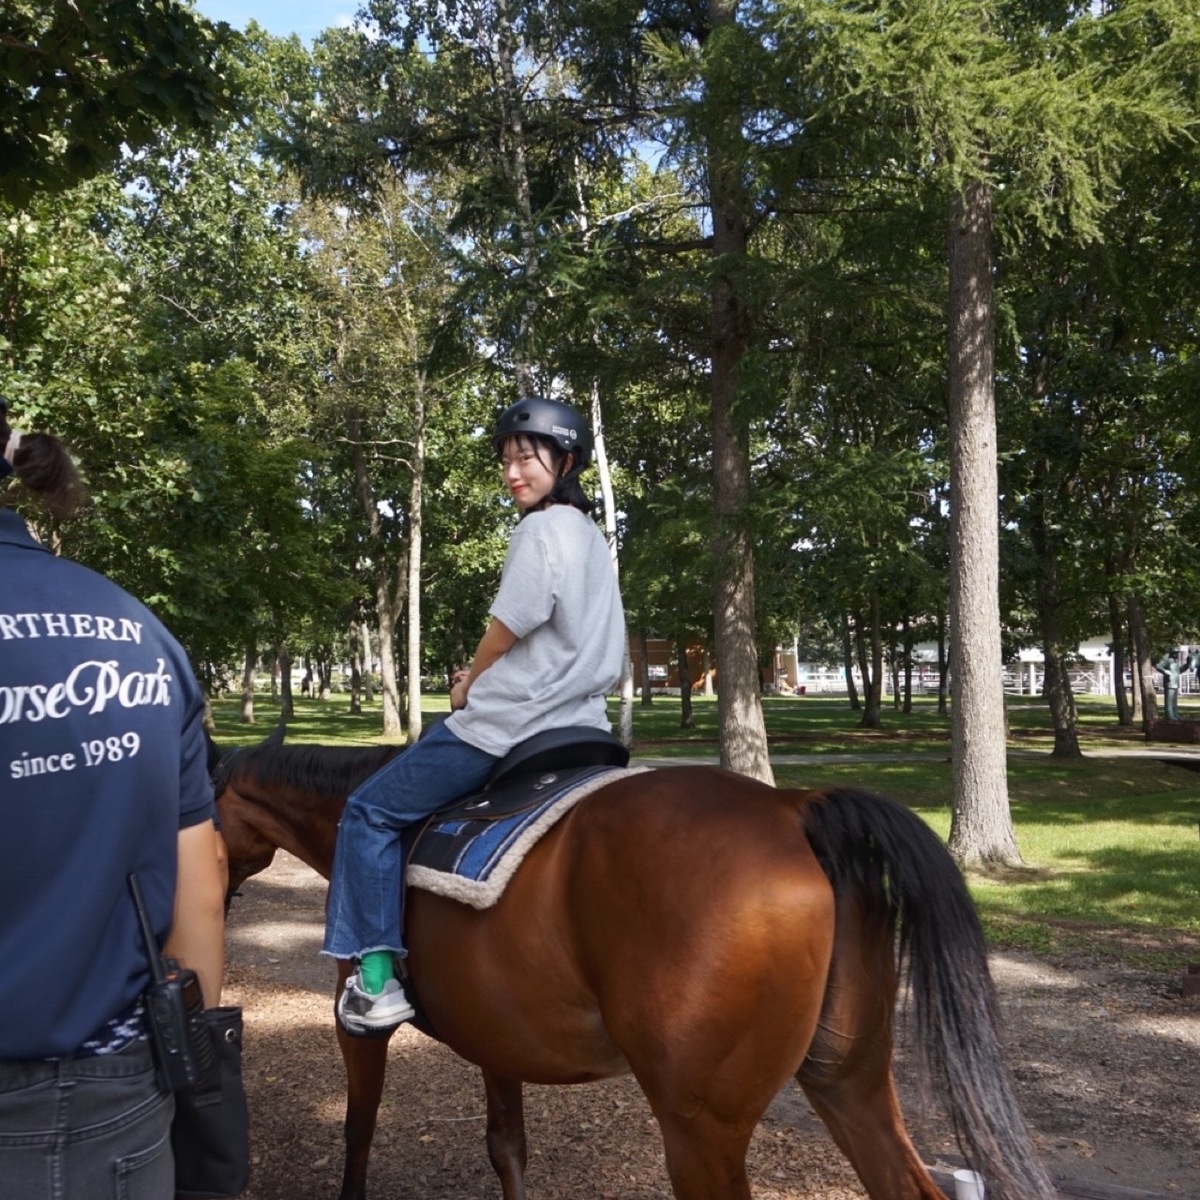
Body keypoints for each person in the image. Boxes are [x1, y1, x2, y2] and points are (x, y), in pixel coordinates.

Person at [323, 396, 626, 1035]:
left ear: (564, 461)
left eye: (528, 458)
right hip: (583, 724)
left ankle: (376, 983)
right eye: (508, 460)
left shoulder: (540, 529)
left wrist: (472, 682)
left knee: (369, 811)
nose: (514, 472)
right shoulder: (593, 536)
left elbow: (509, 626)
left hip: (513, 723)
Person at [0, 402, 226, 1199]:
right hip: (122, 1097)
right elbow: (200, 886)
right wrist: (189, 1072)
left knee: (374, 815)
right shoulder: (139, 631)